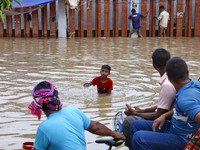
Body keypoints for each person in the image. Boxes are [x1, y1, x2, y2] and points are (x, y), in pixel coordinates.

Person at [28, 81, 125, 150]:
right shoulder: (73, 111)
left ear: (39, 105)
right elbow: (96, 127)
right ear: (56, 96)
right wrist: (114, 134)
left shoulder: (44, 128)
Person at [129, 57, 200, 150]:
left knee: (139, 138)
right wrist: (164, 116)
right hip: (174, 127)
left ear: (169, 78)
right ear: (187, 72)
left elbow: (189, 107)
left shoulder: (185, 99)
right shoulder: (193, 83)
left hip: (182, 139)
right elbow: (184, 109)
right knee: (135, 125)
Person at [123, 48, 176, 149]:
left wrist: (135, 113)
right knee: (133, 122)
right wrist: (143, 110)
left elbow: (159, 114)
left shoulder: (167, 85)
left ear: (154, 65)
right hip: (168, 118)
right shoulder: (170, 79)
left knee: (128, 122)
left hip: (167, 123)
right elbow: (164, 106)